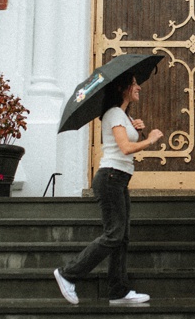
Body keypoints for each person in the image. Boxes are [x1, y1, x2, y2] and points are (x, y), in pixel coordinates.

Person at [54, 75, 163, 305]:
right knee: (114, 234)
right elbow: (125, 148)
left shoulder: (122, 115)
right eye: (134, 84)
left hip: (119, 179)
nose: (139, 87)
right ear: (123, 88)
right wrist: (150, 139)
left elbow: (123, 140)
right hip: (110, 178)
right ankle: (67, 274)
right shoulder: (114, 113)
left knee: (121, 237)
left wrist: (134, 128)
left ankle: (118, 291)